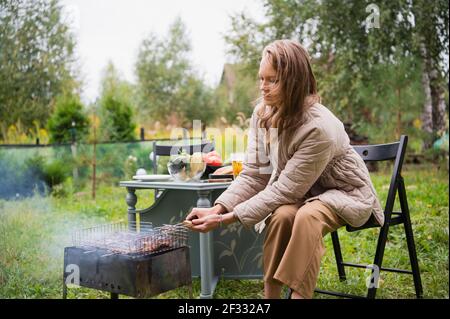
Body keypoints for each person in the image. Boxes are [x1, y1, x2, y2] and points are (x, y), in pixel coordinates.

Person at [185, 39, 382, 299]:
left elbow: (285, 190)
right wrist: (218, 208)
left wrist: (224, 220)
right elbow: (256, 173)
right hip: (302, 192)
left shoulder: (319, 127)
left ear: (294, 82)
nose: (263, 88)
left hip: (343, 192)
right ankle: (271, 296)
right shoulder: (263, 114)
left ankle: (299, 295)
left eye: (272, 80)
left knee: (306, 216)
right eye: (261, 79)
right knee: (281, 216)